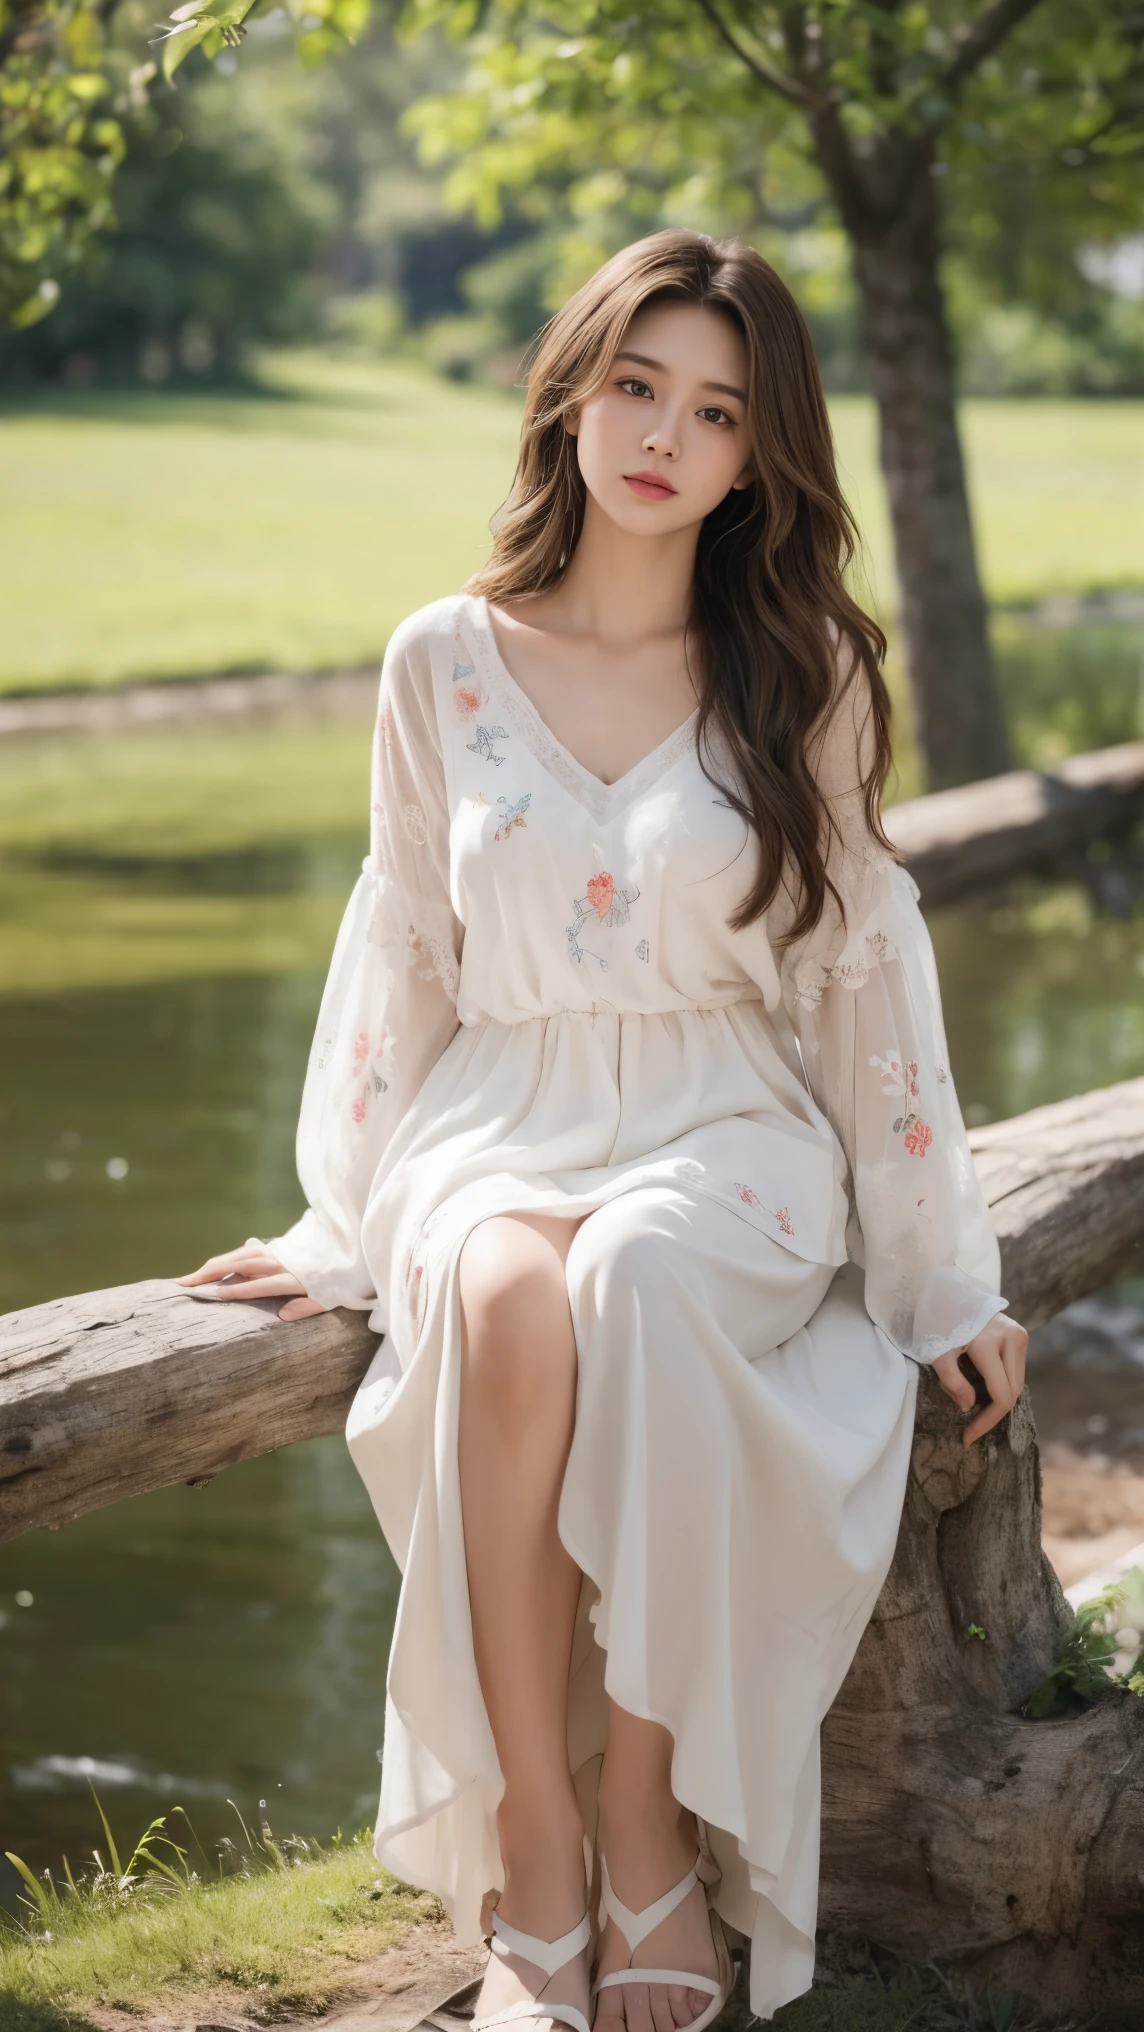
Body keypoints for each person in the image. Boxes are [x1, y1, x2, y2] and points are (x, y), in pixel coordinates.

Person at [178, 230, 1028, 2028]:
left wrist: (945, 1279)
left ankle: (652, 1832)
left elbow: (866, 985)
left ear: (753, 458)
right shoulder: (442, 661)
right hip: (501, 1112)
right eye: (636, 383)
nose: (661, 434)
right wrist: (338, 1223)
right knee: (498, 1294)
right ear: (573, 390)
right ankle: (541, 1853)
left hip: (724, 1123)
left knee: (637, 1275)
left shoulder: (800, 671)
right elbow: (405, 946)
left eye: (715, 410)